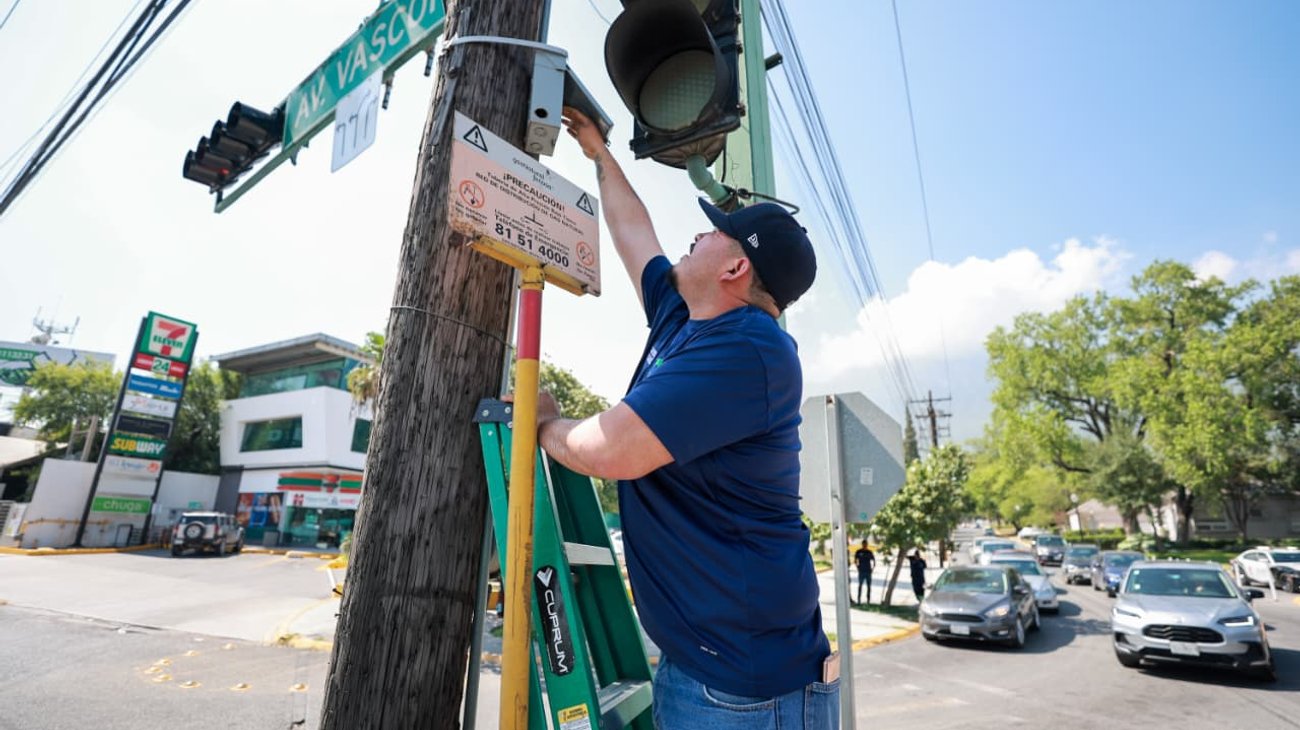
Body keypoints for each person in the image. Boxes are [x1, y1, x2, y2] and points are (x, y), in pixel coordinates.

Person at [533, 108, 835, 729]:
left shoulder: (752, 349)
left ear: (734, 270)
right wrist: (598, 153)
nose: (698, 234)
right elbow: (633, 233)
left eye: (716, 233)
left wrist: (543, 428)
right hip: (710, 669)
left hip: (747, 692)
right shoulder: (683, 318)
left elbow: (614, 449)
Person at [854, 539, 875, 605]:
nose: (865, 545)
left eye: (866, 544)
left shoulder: (869, 552)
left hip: (868, 571)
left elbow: (873, 561)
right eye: (864, 544)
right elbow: (855, 560)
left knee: (869, 586)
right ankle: (859, 600)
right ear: (862, 544)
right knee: (860, 585)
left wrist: (872, 569)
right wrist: (857, 567)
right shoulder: (859, 552)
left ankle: (868, 600)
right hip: (861, 571)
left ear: (867, 545)